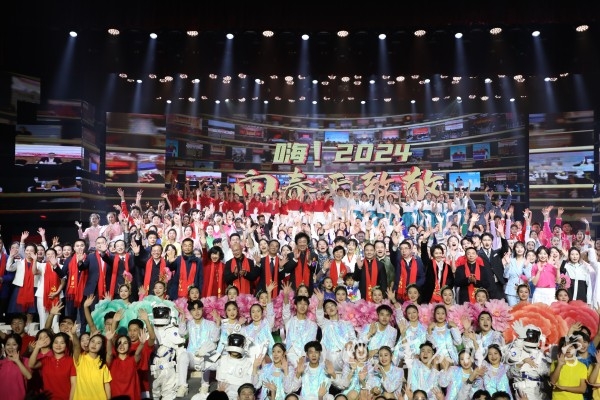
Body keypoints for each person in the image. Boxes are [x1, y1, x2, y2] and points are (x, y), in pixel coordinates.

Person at [29, 332, 77, 400]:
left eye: (62, 343)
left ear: (66, 345)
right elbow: (31, 365)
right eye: (56, 342)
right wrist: (37, 347)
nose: (58, 345)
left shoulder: (71, 361)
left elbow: (74, 384)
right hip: (47, 398)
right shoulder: (46, 360)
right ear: (52, 344)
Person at [0, 333, 32, 399]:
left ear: (19, 346)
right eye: (8, 344)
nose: (10, 347)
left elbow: (29, 376)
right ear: (4, 346)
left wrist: (17, 361)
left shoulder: (25, 361)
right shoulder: (1, 363)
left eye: (14, 344)